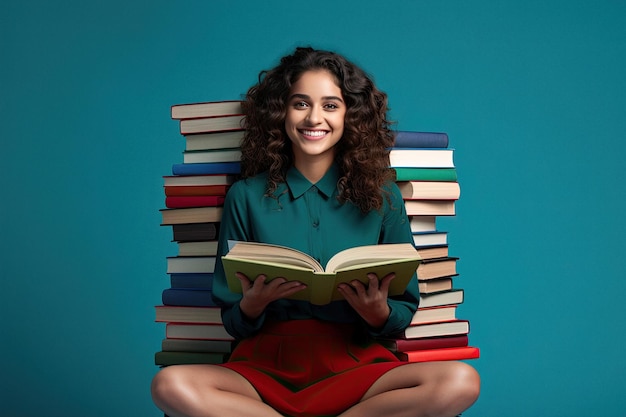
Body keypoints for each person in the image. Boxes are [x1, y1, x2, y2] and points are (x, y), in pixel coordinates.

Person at [151, 46, 480, 417]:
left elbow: (404, 305)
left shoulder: (383, 196)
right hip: (264, 364)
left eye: (330, 105)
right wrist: (253, 303)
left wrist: (376, 312)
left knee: (460, 381)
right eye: (301, 103)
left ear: (349, 116)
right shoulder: (245, 196)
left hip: (357, 362)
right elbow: (231, 317)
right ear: (282, 112)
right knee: (170, 385)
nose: (314, 118)